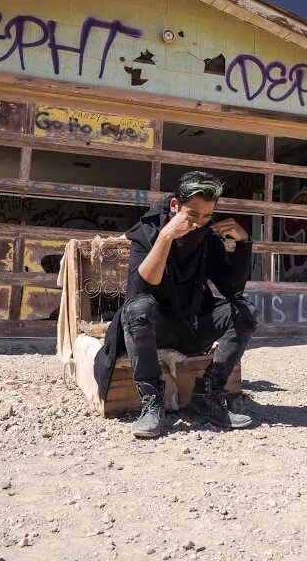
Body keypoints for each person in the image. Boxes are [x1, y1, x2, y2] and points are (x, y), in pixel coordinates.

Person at [94, 171, 258, 438]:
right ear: (175, 206)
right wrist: (166, 238)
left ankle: (207, 395)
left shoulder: (207, 236)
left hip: (191, 325)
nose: (199, 223)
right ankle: (152, 404)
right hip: (151, 333)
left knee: (245, 311)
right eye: (193, 215)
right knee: (138, 308)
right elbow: (142, 290)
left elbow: (232, 290)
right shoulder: (147, 232)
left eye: (207, 216)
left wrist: (243, 243)